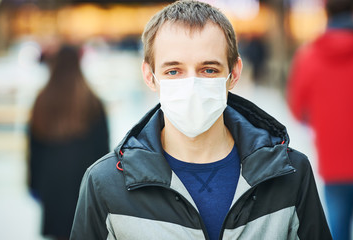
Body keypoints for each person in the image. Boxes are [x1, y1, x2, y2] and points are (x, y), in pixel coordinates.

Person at [71, 1, 331, 239]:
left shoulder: (290, 173)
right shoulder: (105, 184)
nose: (192, 85)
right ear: (150, 77)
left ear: (234, 73)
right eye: (173, 71)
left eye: (209, 69)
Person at [287, 0, 353, 239]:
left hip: (333, 159)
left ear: (325, 13)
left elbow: (296, 108)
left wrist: (320, 123)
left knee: (337, 226)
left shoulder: (309, 56)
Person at [28, 45, 110, 240]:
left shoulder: (42, 100)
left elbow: (34, 148)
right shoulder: (92, 101)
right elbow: (103, 149)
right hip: (83, 183)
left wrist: (34, 185)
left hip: (52, 182)